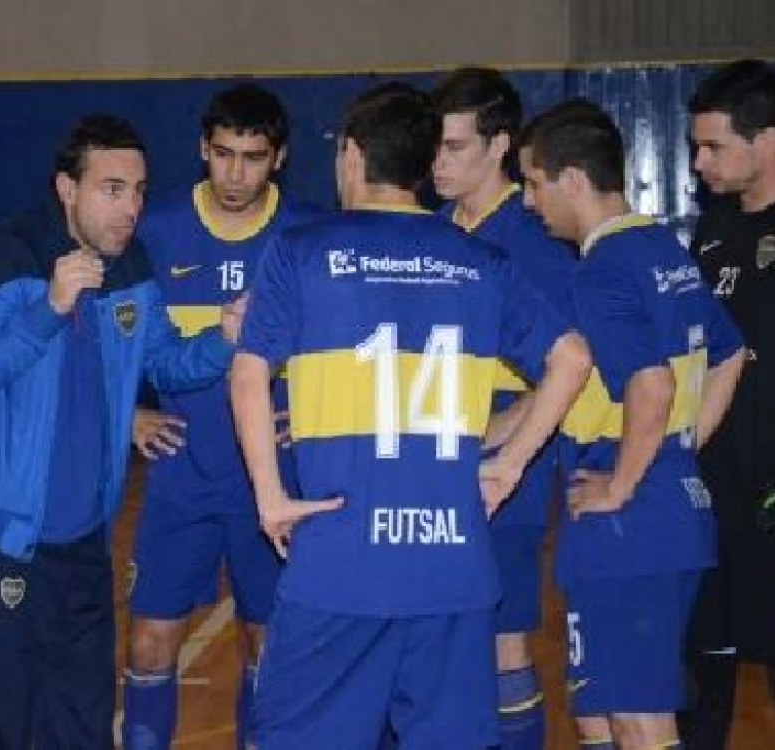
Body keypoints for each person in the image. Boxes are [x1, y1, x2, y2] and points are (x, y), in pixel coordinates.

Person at [230, 81, 591, 750]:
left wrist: (270, 497)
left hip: (340, 564)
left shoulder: (302, 251)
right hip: (452, 567)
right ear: (426, 163)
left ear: (351, 153)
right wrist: (509, 466)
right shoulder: (482, 261)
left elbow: (249, 373)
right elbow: (571, 358)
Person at [0, 114, 243, 750]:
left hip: (85, 545)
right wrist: (48, 308)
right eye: (112, 189)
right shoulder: (7, 253)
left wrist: (224, 338)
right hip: (4, 544)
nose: (130, 208)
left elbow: (165, 362)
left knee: (81, 726)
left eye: (138, 191)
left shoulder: (129, 264)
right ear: (67, 188)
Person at [519, 100, 746, 750]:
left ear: (571, 180)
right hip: (665, 505)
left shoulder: (602, 270)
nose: (530, 203)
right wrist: (680, 446)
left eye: (534, 183)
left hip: (629, 522)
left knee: (637, 720)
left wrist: (621, 484)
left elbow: (653, 385)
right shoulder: (661, 249)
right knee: (601, 709)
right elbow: (730, 353)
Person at [122, 83, 321, 749]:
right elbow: (104, 337)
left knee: (266, 647)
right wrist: (128, 416)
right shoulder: (155, 229)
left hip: (272, 480)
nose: (235, 174)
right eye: (223, 154)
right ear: (202, 148)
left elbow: (349, 346)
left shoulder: (307, 237)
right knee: (148, 643)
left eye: (253, 157)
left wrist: (315, 414)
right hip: (181, 474)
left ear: (279, 158)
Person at [430, 66, 576, 750]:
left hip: (500, 477)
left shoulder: (535, 240)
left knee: (502, 642)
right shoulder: (432, 231)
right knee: (438, 642)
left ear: (499, 146)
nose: (436, 161)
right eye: (433, 144)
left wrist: (495, 436)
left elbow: (570, 367)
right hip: (430, 469)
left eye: (454, 146)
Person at [679, 58, 775, 750]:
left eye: (713, 146)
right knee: (698, 676)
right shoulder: (711, 231)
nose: (699, 163)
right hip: (713, 491)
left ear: (766, 139)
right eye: (695, 147)